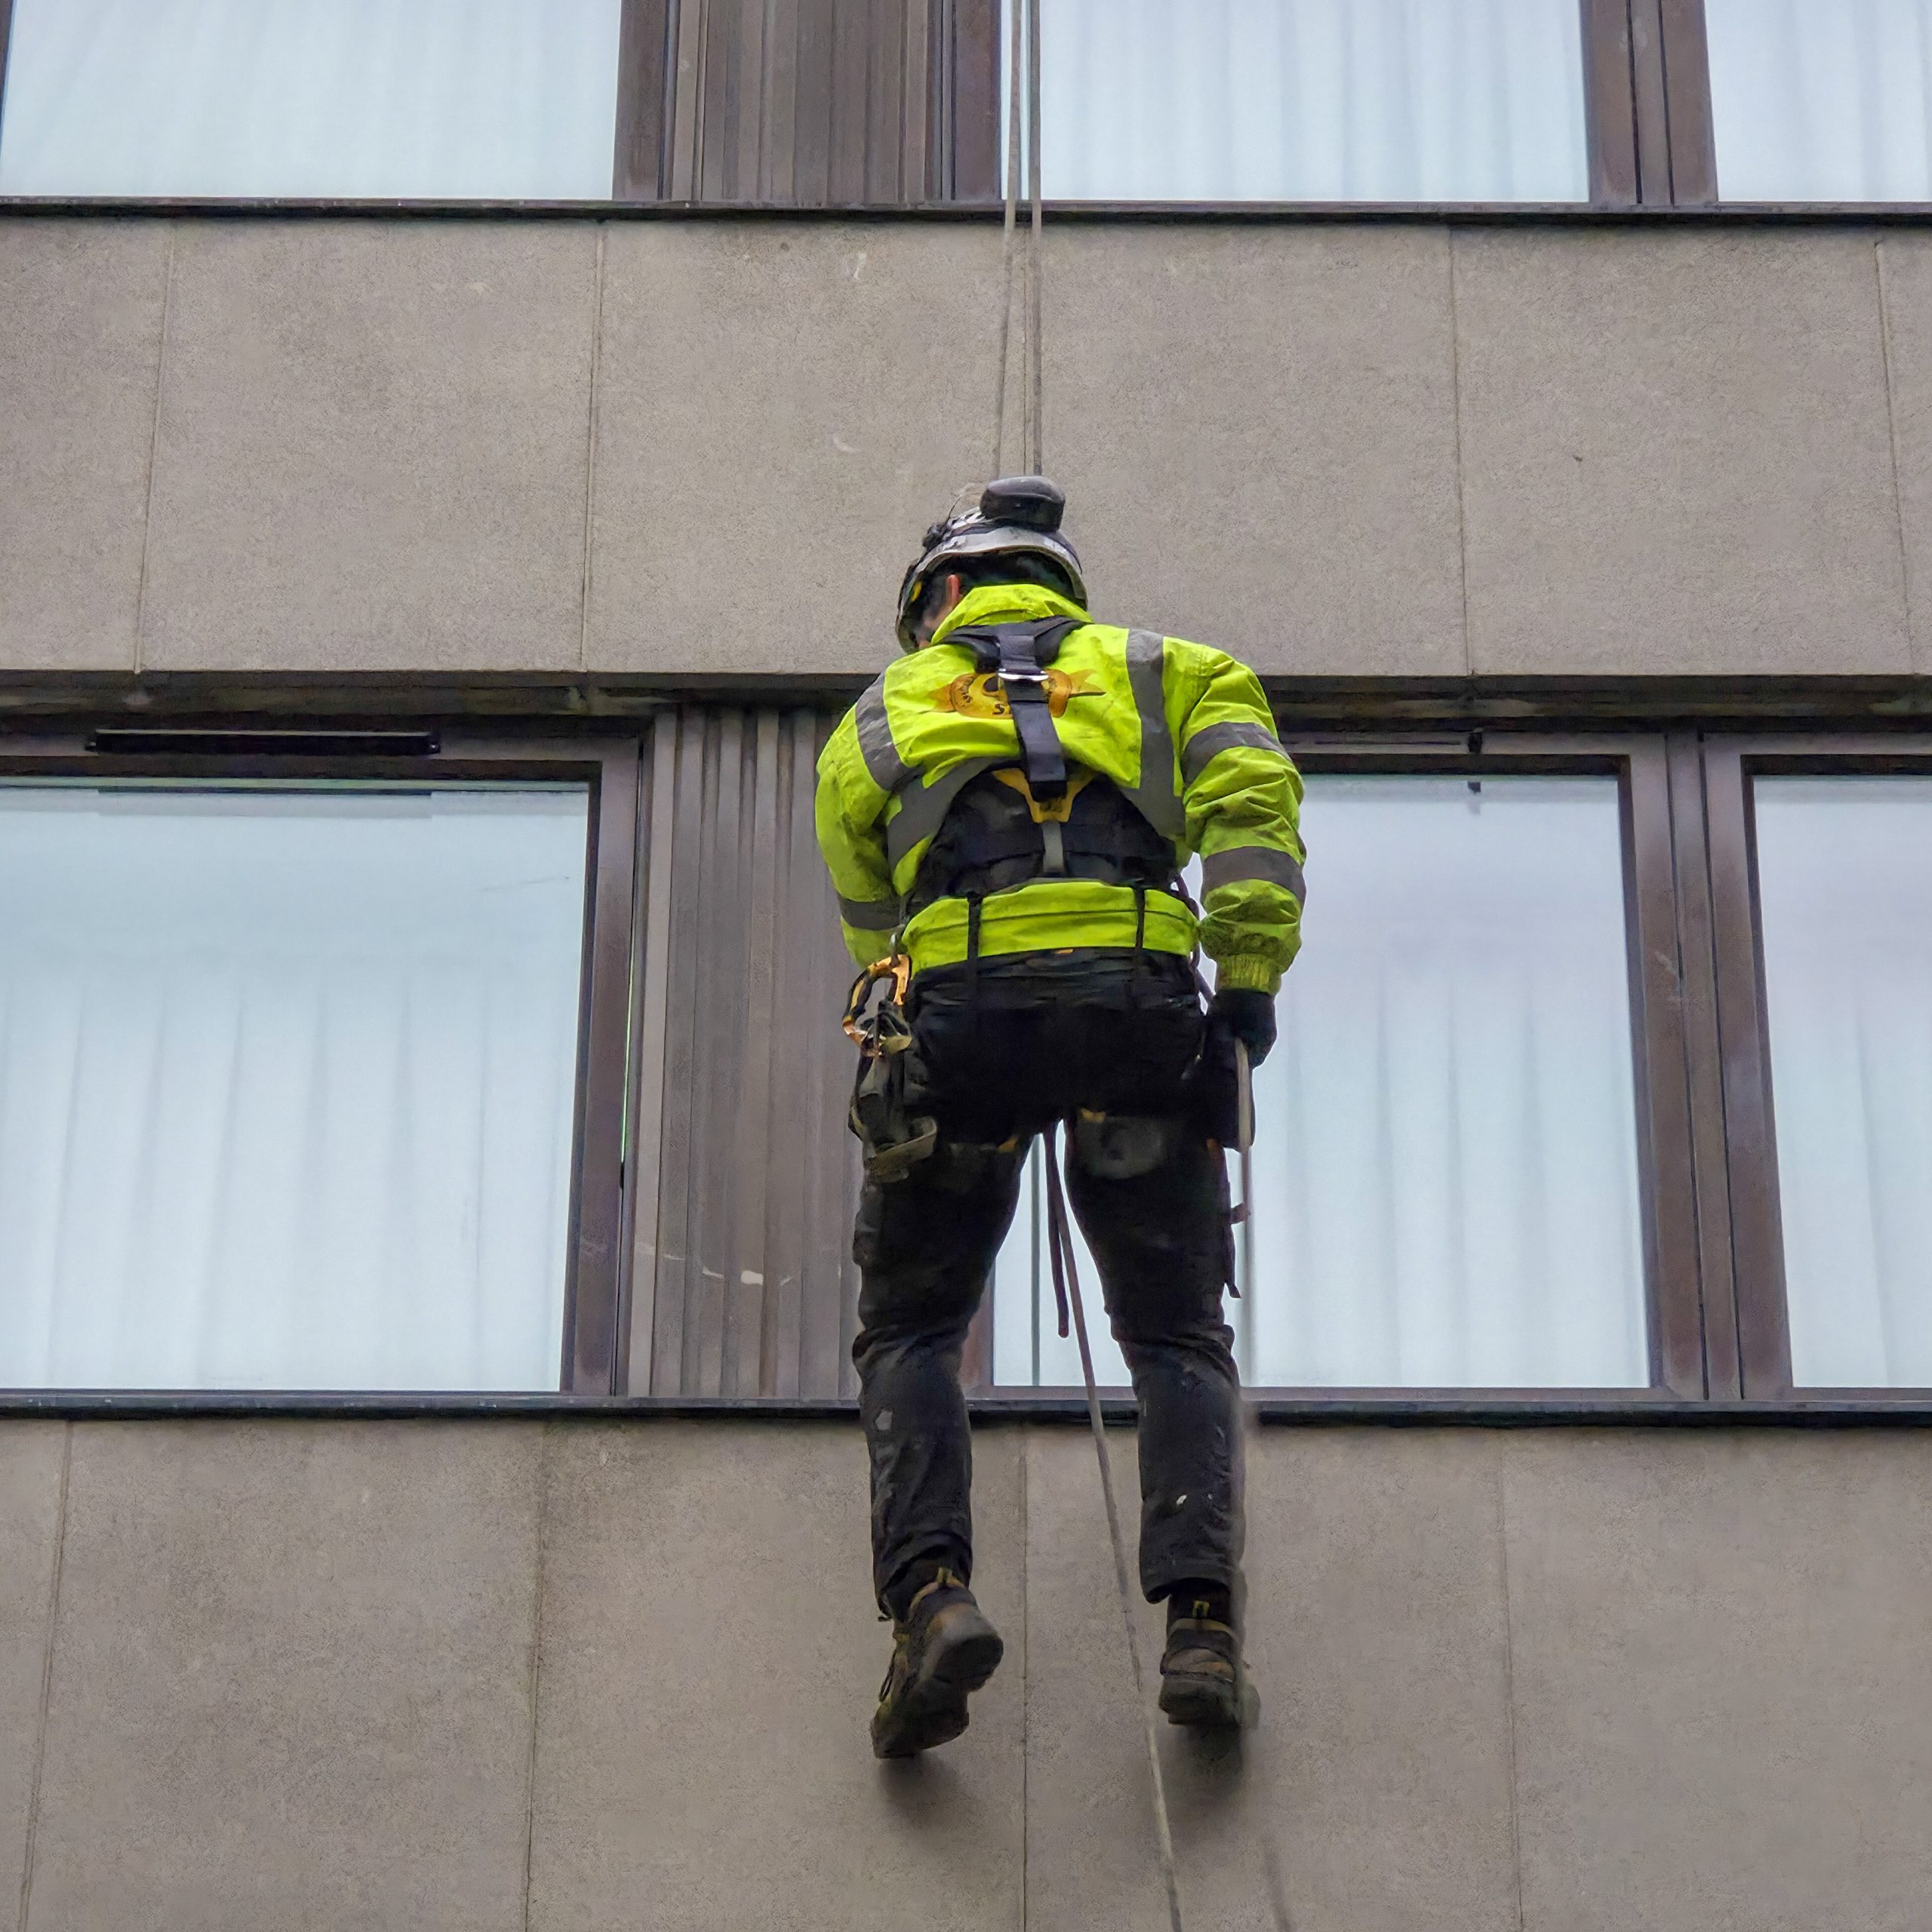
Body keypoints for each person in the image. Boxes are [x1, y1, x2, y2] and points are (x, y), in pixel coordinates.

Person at [815, 477, 1305, 1759]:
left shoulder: (881, 712)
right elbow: (1255, 820)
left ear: (945, 595)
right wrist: (1244, 989)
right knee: (1179, 1338)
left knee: (914, 1325)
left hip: (967, 1030)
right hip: (1140, 1021)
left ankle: (930, 1603)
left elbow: (874, 928)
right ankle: (1202, 1633)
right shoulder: (1180, 671)